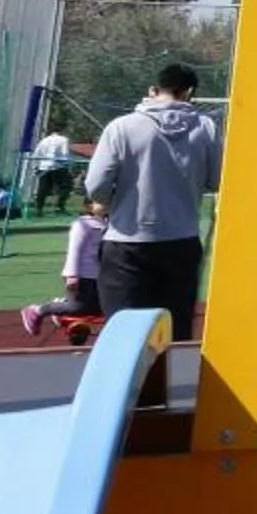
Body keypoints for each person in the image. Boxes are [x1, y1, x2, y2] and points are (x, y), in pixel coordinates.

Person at [84, 62, 222, 343]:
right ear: (190, 92)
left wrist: (110, 202)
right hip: (181, 241)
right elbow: (218, 179)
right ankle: (169, 386)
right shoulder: (207, 128)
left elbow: (95, 185)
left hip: (126, 241)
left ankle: (127, 386)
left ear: (152, 90)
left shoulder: (121, 127)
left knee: (121, 334)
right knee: (174, 331)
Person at [20, 195, 111, 337]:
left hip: (99, 275)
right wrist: (72, 275)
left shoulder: (106, 224)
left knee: (98, 308)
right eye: (101, 202)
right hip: (83, 275)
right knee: (79, 307)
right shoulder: (83, 225)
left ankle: (61, 310)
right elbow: (74, 250)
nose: (106, 204)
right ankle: (38, 310)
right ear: (89, 207)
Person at [30, 128, 79, 214]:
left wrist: (35, 167)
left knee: (43, 189)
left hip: (44, 167)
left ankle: (39, 208)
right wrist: (69, 165)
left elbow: (37, 154)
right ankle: (59, 206)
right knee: (66, 187)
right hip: (58, 166)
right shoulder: (63, 140)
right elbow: (65, 153)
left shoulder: (44, 141)